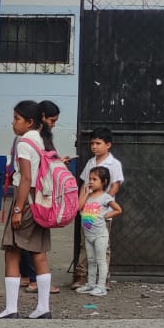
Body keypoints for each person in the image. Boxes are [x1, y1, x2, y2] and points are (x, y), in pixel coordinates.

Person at [0, 100, 55, 319]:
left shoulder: (24, 143)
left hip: (27, 201)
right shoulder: (43, 141)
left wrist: (18, 209)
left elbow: (26, 179)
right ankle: (43, 307)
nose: (13, 123)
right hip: (42, 202)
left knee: (12, 253)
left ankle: (11, 308)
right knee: (39, 253)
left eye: (17, 119)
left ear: (30, 121)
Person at [71, 127, 125, 288]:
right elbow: (84, 185)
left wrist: (104, 202)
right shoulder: (90, 163)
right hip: (87, 212)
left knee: (103, 246)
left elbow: (116, 185)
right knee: (84, 243)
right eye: (92, 143)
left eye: (98, 143)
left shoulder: (114, 164)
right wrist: (81, 202)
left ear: (108, 145)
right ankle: (81, 275)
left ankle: (104, 278)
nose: (94, 146)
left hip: (102, 212)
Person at [20, 99, 64, 294]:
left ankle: (27, 277)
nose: (53, 124)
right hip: (36, 194)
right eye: (52, 120)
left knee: (23, 241)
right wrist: (17, 208)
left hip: (32, 192)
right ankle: (34, 280)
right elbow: (27, 176)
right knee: (35, 243)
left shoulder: (29, 139)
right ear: (41, 117)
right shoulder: (34, 139)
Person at [75, 166, 121, 296]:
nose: (91, 182)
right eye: (90, 179)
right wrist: (85, 193)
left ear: (104, 181)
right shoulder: (88, 195)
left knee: (101, 260)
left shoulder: (105, 197)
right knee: (91, 260)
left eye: (95, 179)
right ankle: (90, 284)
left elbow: (118, 209)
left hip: (100, 235)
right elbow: (79, 206)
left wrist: (105, 216)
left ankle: (101, 286)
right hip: (88, 234)